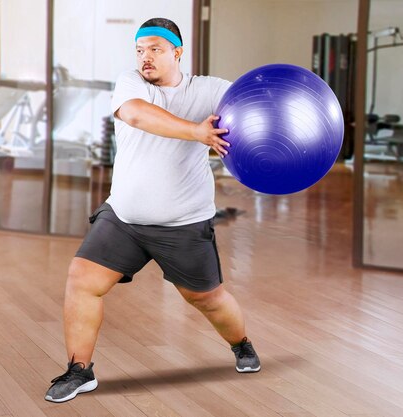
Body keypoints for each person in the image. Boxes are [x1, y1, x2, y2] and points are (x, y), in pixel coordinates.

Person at [45, 17, 260, 404]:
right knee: (81, 281)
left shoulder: (211, 90)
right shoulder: (131, 85)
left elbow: (255, 113)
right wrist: (197, 132)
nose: (145, 57)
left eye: (155, 49)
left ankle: (241, 343)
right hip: (124, 218)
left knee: (206, 299)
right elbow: (136, 115)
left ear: (178, 51)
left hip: (183, 223)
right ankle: (81, 370)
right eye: (140, 50)